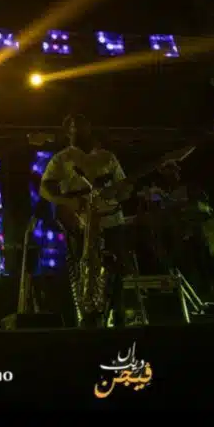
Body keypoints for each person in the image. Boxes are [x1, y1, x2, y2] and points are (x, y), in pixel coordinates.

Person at [39, 114, 131, 327]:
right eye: (71, 127)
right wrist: (67, 202)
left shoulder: (107, 157)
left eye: (80, 125)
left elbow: (124, 189)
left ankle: (116, 316)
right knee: (83, 270)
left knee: (115, 269)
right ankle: (85, 318)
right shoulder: (61, 159)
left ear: (89, 128)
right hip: (81, 224)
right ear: (67, 132)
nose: (76, 130)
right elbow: (45, 188)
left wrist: (120, 191)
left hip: (110, 220)